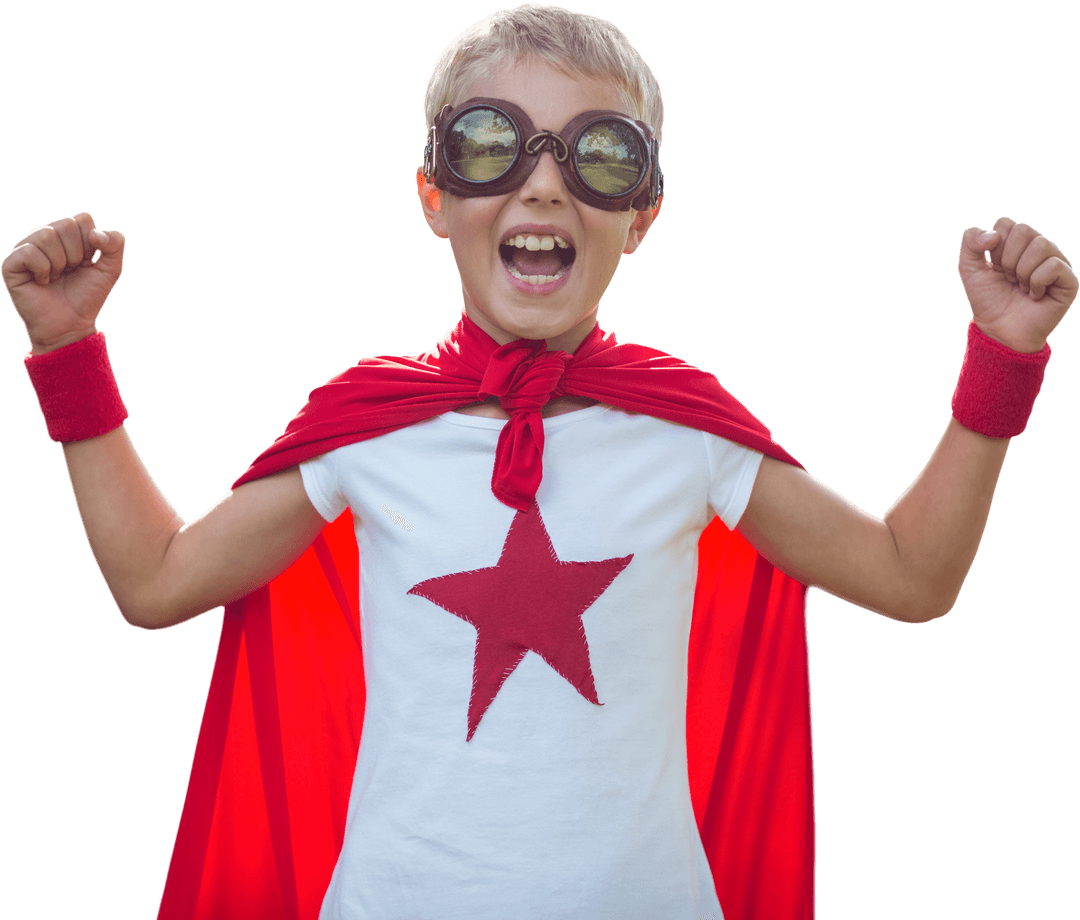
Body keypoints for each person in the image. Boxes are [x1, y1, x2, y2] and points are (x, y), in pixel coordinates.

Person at [3, 5, 1075, 920]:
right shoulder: (371, 421)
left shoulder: (682, 425)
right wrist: (66, 355)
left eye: (599, 155)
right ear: (433, 194)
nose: (544, 187)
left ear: (642, 213)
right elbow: (157, 580)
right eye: (491, 145)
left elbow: (910, 575)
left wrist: (1003, 358)